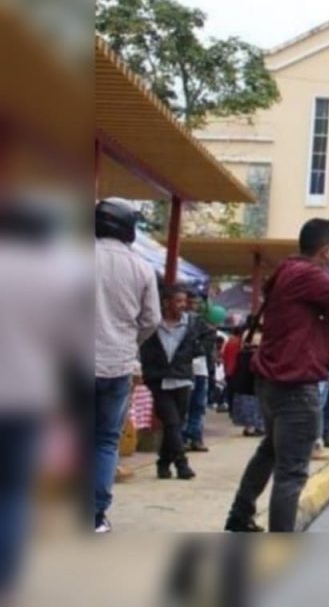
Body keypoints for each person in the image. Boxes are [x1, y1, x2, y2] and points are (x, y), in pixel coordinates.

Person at [225, 219, 329, 533]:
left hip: (275, 382)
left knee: (270, 451)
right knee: (292, 473)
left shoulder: (291, 274)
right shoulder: (305, 274)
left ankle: (239, 515)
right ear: (326, 252)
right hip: (294, 386)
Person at [94, 199, 161, 533]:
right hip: (119, 365)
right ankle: (95, 516)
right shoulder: (142, 267)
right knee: (106, 440)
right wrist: (129, 340)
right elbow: (152, 319)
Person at [139, 283, 217, 480]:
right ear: (166, 303)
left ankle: (163, 462)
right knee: (172, 422)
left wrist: (196, 351)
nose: (183, 305)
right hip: (158, 379)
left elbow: (210, 335)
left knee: (175, 423)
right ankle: (182, 464)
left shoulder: (192, 323)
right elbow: (141, 341)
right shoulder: (154, 323)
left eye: (184, 301)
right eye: (178, 301)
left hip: (182, 379)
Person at [182, 293, 215, 452]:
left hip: (198, 369)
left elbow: (207, 346)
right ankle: (187, 438)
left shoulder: (203, 324)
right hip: (186, 369)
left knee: (196, 405)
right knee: (189, 405)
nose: (193, 305)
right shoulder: (178, 323)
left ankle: (193, 437)